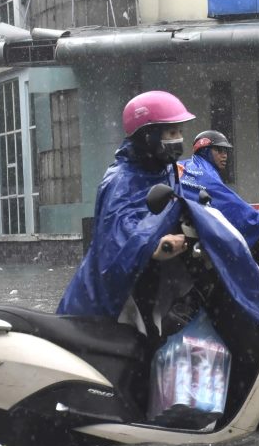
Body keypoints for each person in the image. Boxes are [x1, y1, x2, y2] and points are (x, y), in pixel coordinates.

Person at [57, 90, 194, 336]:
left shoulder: (167, 171)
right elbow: (119, 231)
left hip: (151, 280)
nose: (179, 140)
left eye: (180, 132)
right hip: (111, 301)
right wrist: (151, 245)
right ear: (149, 135)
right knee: (136, 347)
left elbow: (181, 205)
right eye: (172, 133)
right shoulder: (120, 180)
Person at [178, 130, 259, 248]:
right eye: (219, 150)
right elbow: (231, 206)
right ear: (205, 151)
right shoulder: (205, 174)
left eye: (225, 151)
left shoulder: (184, 165)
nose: (225, 155)